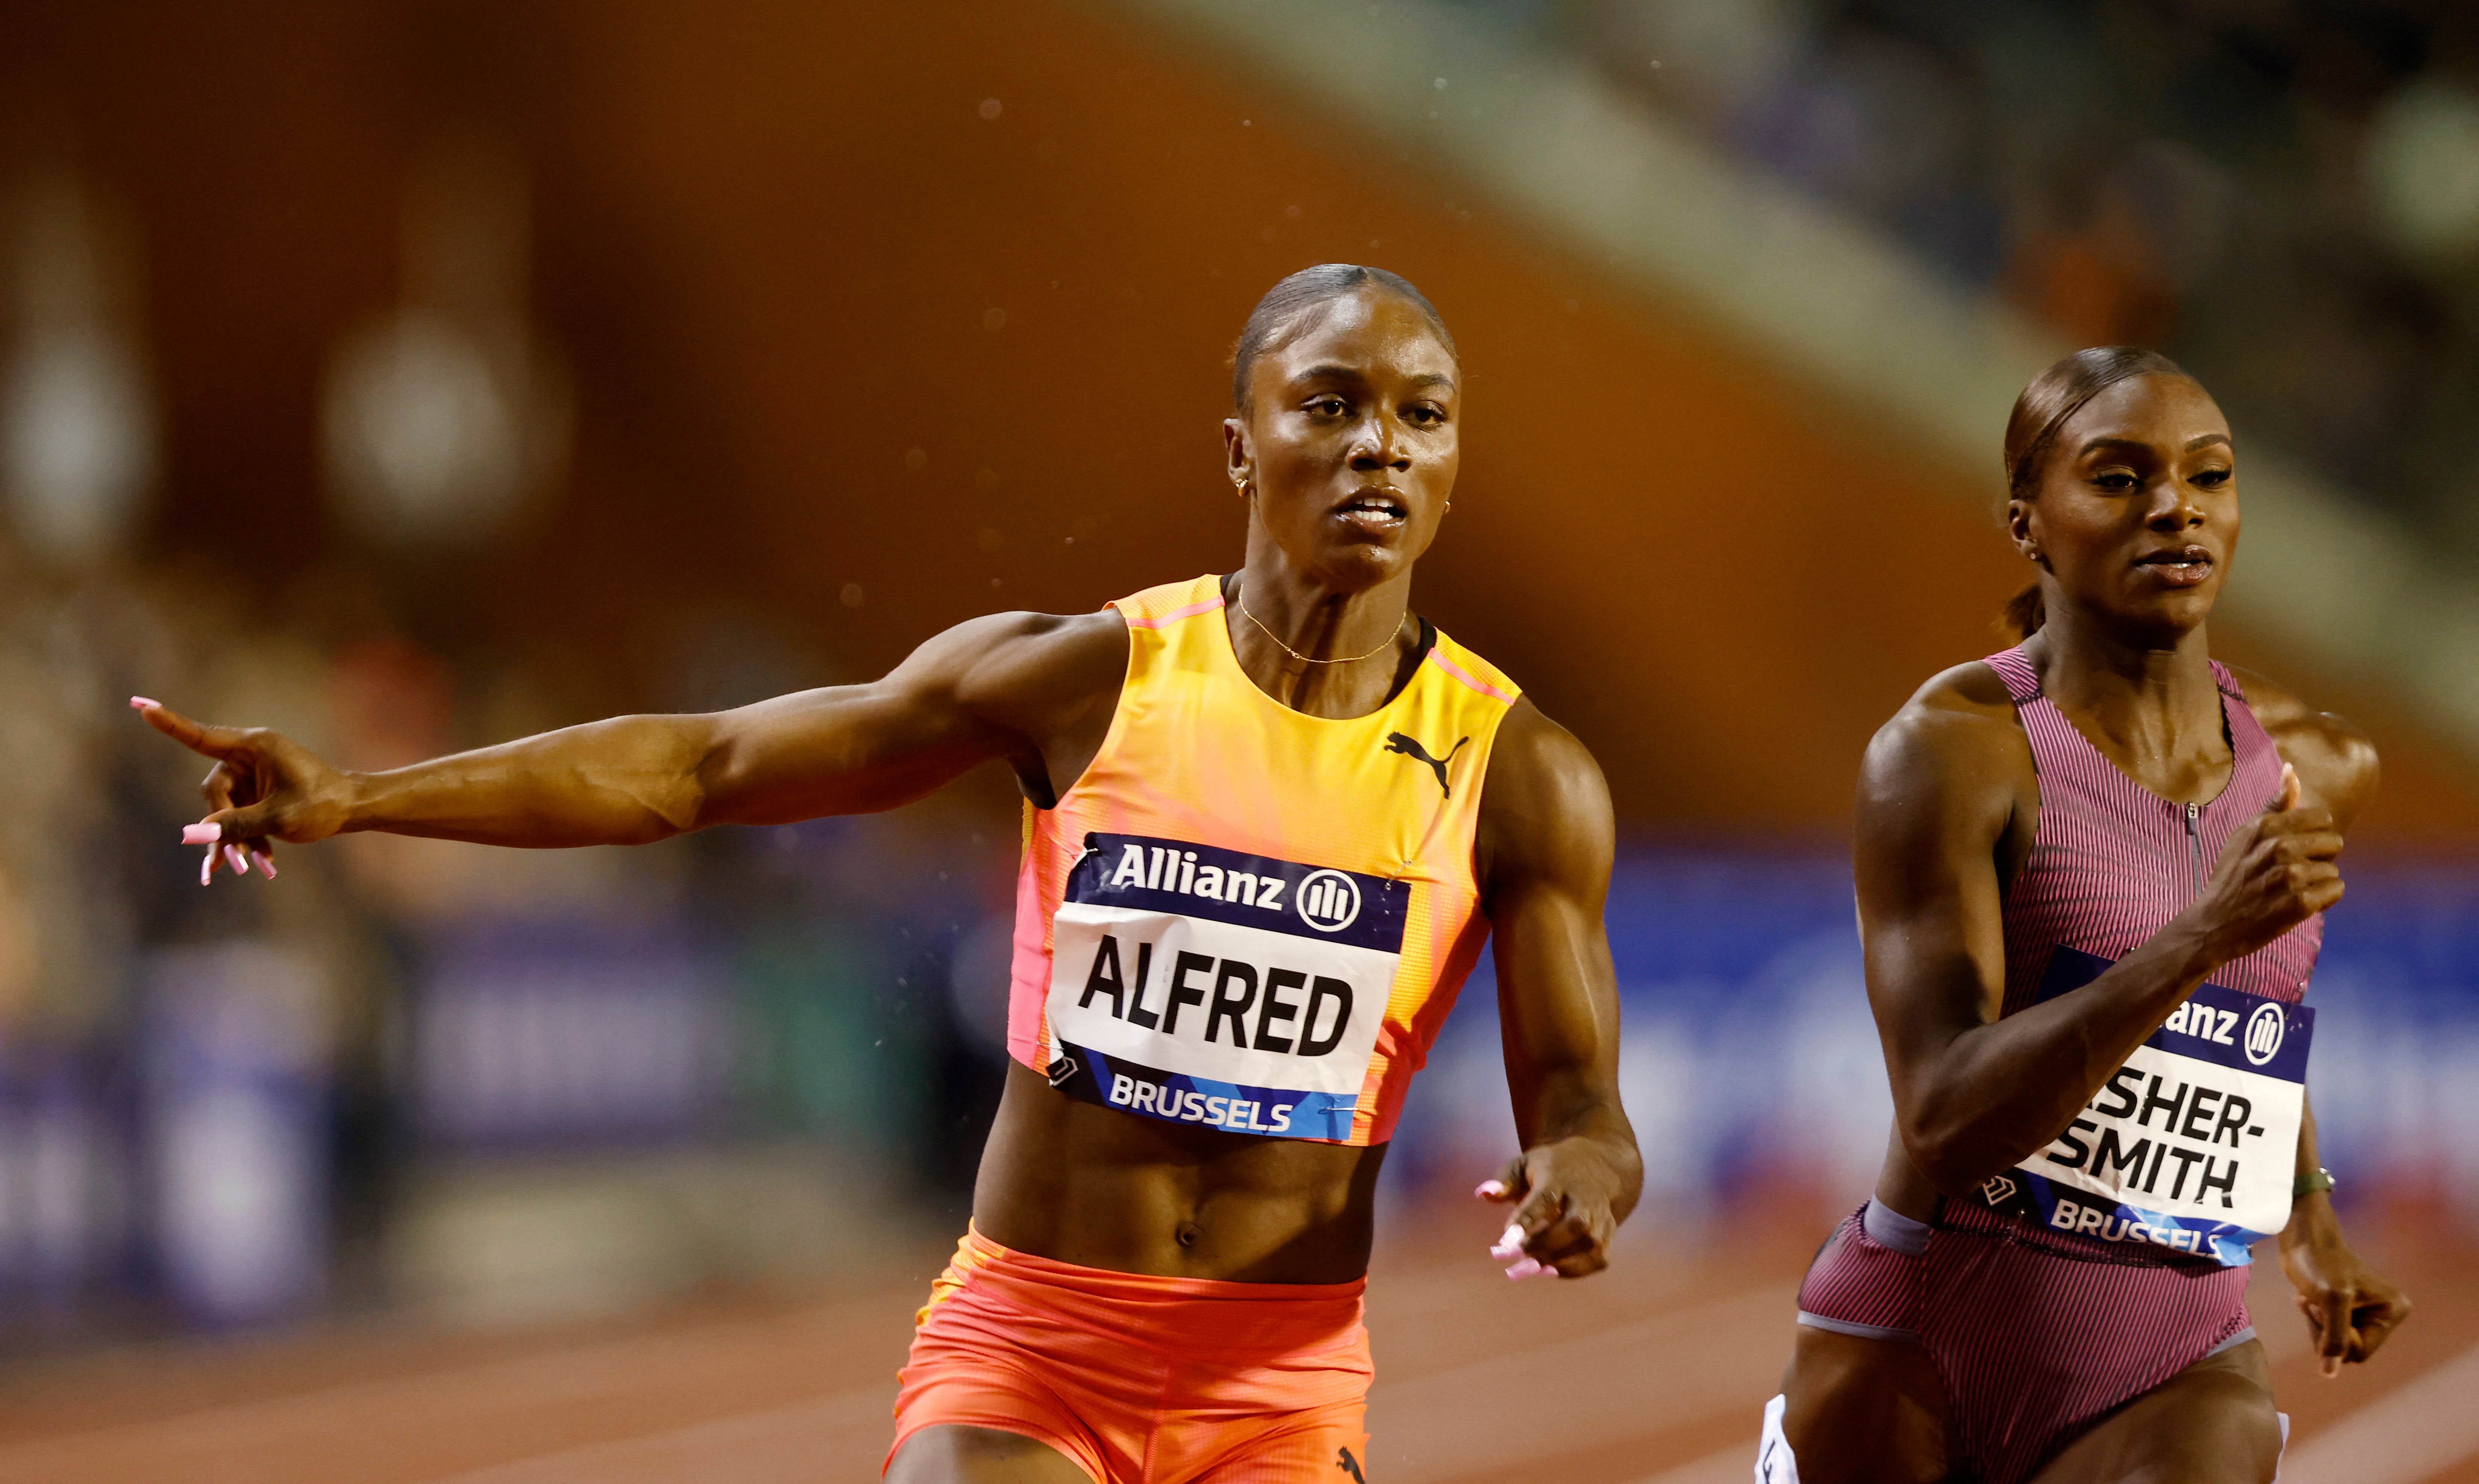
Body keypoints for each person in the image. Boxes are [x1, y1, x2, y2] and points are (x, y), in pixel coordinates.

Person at [134, 263, 1642, 1484]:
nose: (1382, 443)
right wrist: (369, 794)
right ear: (1242, 447)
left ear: (1451, 466)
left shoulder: (1521, 775)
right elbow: (702, 768)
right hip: (1034, 1341)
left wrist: (1583, 1167)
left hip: (1277, 1378)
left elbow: (1578, 1097)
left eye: (1422, 416)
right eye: (1333, 403)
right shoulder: (1082, 682)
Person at [1759, 347, 2410, 1484]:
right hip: (1924, 1331)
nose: (2175, 508)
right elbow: (1945, 1115)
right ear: (2029, 521)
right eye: (2118, 478)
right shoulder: (1953, 754)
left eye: (2209, 478)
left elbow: (2254, 1022)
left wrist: (2309, 1219)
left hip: (2178, 1352)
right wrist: (2200, 935)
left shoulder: (2316, 762)